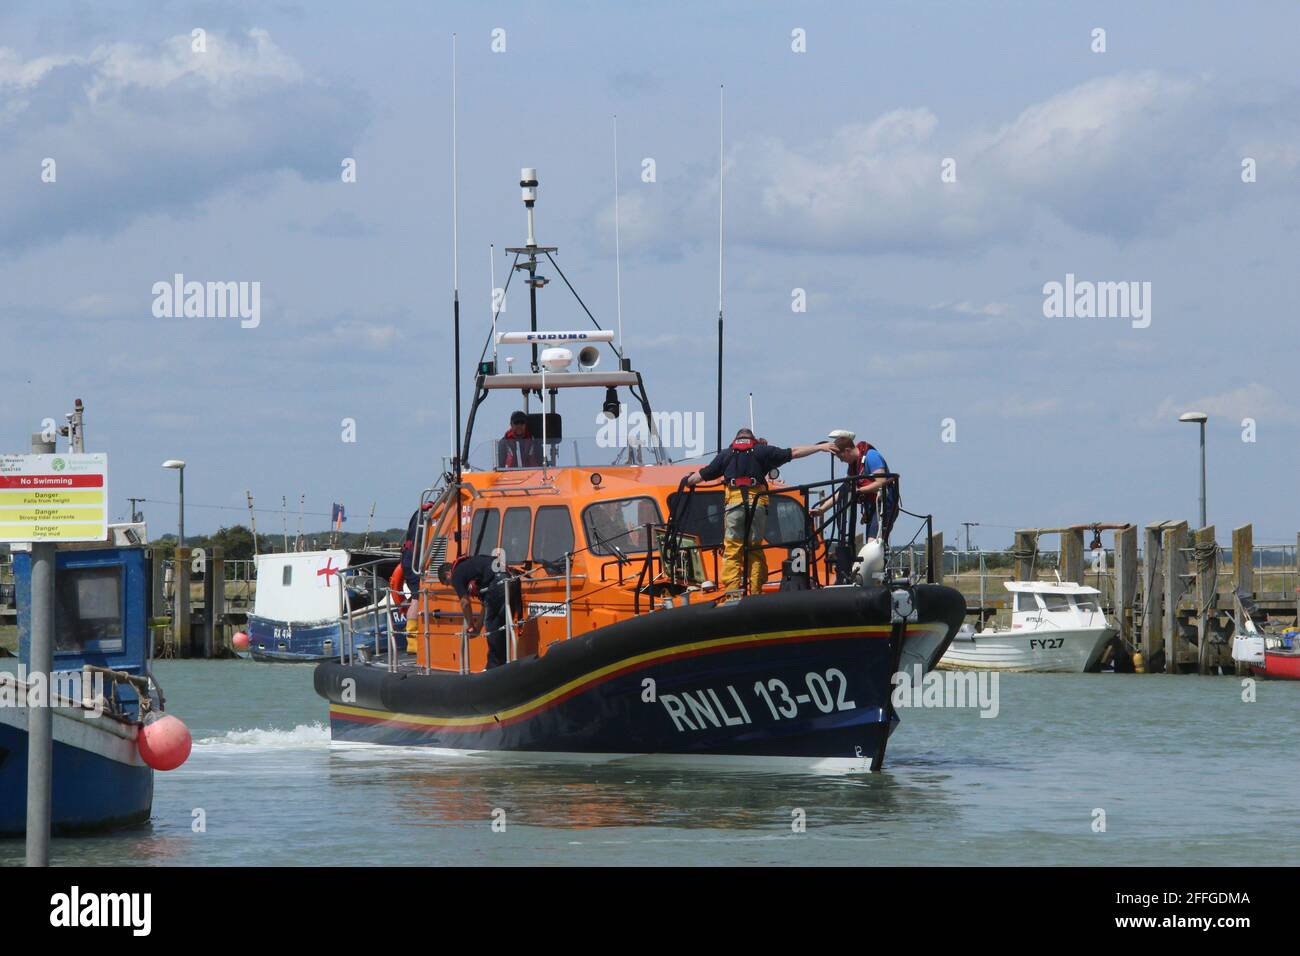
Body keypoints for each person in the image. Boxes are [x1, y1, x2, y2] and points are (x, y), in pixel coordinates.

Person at [686, 428, 832, 596]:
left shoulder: (725, 455)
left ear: (736, 439)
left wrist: (686, 481)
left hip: (734, 505)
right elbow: (794, 452)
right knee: (755, 548)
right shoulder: (763, 451)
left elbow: (700, 476)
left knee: (733, 550)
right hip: (757, 505)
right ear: (752, 439)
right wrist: (820, 447)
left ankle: (733, 595)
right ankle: (755, 593)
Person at [815, 429, 899, 543]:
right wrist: (822, 509)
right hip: (872, 508)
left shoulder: (872, 457)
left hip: (884, 504)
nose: (841, 461)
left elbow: (881, 482)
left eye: (841, 457)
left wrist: (859, 490)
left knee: (872, 543)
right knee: (872, 544)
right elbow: (843, 491)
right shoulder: (853, 466)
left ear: (848, 450)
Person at [437, 555, 508, 670]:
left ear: (448, 575)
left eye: (448, 583)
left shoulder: (456, 576)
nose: (451, 585)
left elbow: (465, 603)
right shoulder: (471, 569)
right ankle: (502, 662)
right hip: (505, 577)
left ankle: (493, 666)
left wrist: (470, 625)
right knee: (498, 623)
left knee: (491, 625)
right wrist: (478, 628)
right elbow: (486, 605)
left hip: (497, 581)